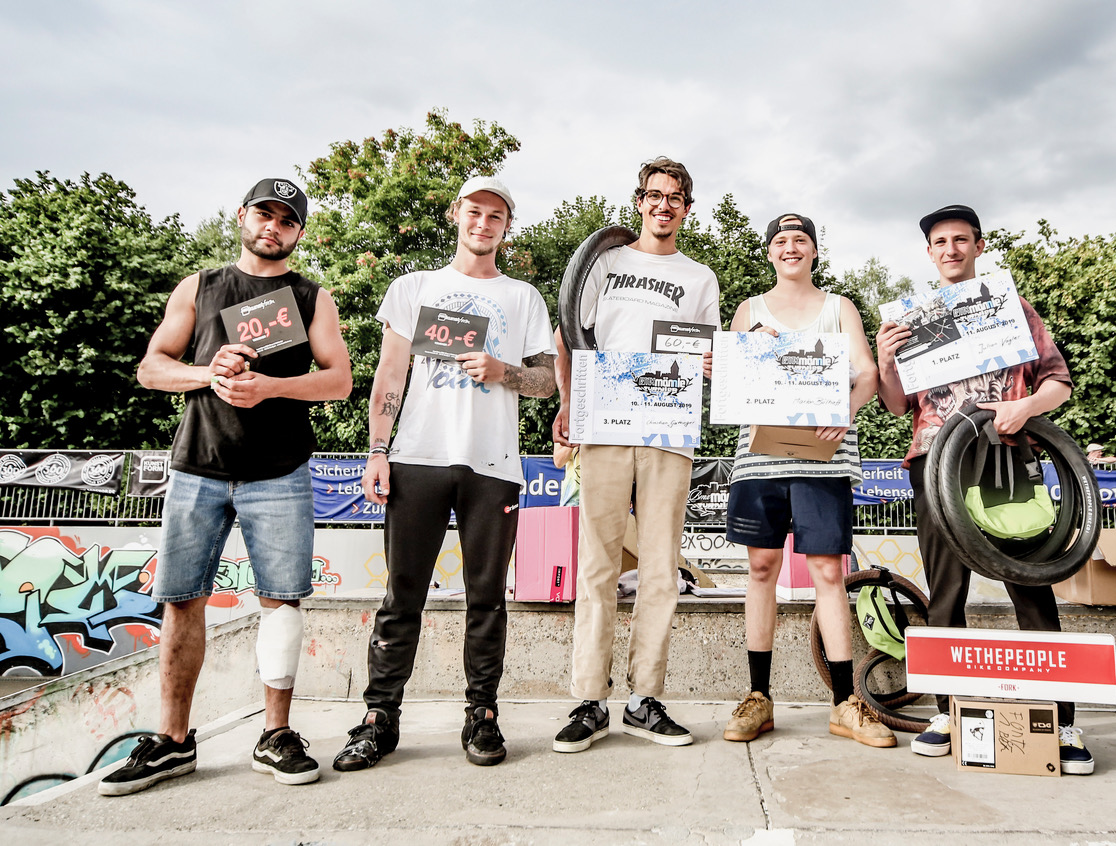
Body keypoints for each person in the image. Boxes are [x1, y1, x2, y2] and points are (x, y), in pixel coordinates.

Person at [101, 179, 353, 795]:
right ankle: (173, 741)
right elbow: (151, 368)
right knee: (181, 600)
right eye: (265, 213)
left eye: (287, 220)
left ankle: (275, 734)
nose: (274, 226)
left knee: (281, 602)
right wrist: (205, 374)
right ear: (242, 215)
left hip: (281, 470)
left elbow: (339, 380)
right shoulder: (200, 286)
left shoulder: (312, 298)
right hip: (199, 466)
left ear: (299, 232)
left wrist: (270, 387)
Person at [332, 176, 555, 770]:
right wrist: (377, 450)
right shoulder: (414, 287)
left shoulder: (523, 298)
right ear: (456, 214)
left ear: (507, 227)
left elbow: (547, 382)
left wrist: (503, 371)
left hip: (493, 465)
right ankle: (380, 717)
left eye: (496, 216)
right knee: (402, 595)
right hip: (416, 458)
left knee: (488, 598)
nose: (483, 223)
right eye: (474, 211)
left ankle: (482, 713)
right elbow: (390, 374)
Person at [875, 204, 1094, 775]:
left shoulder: (1013, 307)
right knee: (946, 590)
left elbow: (1059, 382)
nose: (950, 249)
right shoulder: (912, 320)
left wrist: (1026, 406)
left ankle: (1061, 722)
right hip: (934, 463)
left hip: (1006, 457)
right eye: (940, 242)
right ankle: (946, 711)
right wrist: (885, 359)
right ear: (929, 253)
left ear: (977, 246)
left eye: (960, 239)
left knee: (1030, 583)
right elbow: (896, 405)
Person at [551, 157, 719, 752]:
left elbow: (709, 355)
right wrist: (567, 404)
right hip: (603, 424)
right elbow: (569, 336)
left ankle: (644, 699)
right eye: (654, 195)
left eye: (674, 197)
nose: (663, 205)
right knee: (596, 565)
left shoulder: (700, 277)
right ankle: (589, 699)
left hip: (669, 431)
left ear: (686, 209)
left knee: (660, 569)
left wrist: (710, 363)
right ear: (639, 202)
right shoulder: (606, 262)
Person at [717, 214, 893, 747]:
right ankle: (758, 696)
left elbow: (867, 372)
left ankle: (844, 702)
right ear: (769, 252)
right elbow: (728, 378)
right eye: (780, 241)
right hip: (760, 460)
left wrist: (848, 407)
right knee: (761, 568)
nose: (790, 247)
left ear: (814, 251)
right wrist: (738, 352)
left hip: (824, 459)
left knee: (828, 571)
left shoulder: (839, 308)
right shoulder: (749, 310)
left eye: (800, 240)